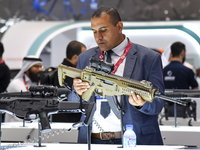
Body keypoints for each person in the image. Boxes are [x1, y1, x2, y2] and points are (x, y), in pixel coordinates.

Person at [68, 6, 164, 145]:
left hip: (133, 139)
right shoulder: (85, 58)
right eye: (94, 31)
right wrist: (76, 92)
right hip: (92, 140)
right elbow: (74, 103)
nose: (98, 37)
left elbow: (158, 104)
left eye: (103, 30)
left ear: (119, 27)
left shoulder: (148, 58)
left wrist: (142, 104)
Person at [40, 40, 86, 123]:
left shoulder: (62, 71)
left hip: (61, 119)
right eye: (84, 55)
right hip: (66, 120)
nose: (86, 58)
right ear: (75, 57)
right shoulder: (67, 74)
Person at [163, 42, 198, 118]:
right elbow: (196, 90)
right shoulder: (187, 71)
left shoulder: (163, 70)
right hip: (183, 110)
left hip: (165, 110)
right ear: (183, 52)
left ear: (171, 53)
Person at [5, 56, 43, 122]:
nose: (40, 69)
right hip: (18, 127)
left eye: (40, 67)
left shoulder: (41, 85)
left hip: (38, 126)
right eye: (36, 66)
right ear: (27, 68)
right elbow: (8, 112)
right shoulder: (15, 84)